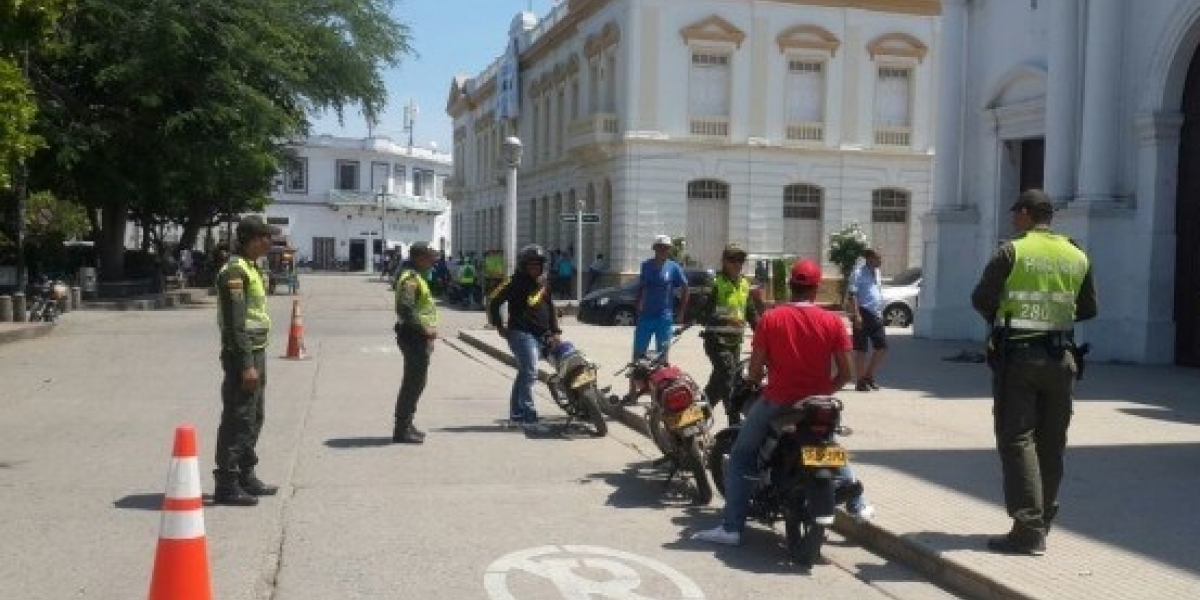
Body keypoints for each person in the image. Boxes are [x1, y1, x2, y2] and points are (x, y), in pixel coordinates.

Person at [693, 259, 871, 546]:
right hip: (819, 404)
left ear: (791, 287)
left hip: (778, 401)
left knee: (740, 456)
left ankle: (731, 528)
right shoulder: (833, 322)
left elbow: (755, 369)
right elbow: (849, 373)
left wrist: (753, 380)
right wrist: (825, 390)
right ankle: (859, 503)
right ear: (816, 288)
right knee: (828, 443)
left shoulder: (771, 319)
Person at [971, 189, 1097, 555]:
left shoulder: (1012, 251)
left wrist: (1004, 320)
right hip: (1062, 360)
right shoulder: (1077, 253)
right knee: (1052, 443)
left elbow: (981, 298)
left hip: (1020, 359)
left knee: (1017, 439)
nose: (1013, 220)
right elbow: (1088, 308)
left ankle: (1027, 530)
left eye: (1016, 213)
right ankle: (1042, 521)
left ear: (1027, 213)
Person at [212, 216, 281, 506]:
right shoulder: (234, 274)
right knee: (239, 416)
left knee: (255, 415)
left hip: (257, 350)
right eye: (266, 238)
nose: (270, 243)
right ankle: (226, 482)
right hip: (244, 354)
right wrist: (246, 364)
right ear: (252, 240)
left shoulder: (252, 268)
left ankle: (246, 473)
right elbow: (235, 324)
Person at [487, 244, 561, 430]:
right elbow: (493, 300)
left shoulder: (543, 283)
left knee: (524, 374)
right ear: (523, 265)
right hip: (521, 333)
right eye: (531, 264)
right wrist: (498, 324)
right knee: (530, 371)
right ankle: (529, 418)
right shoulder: (513, 282)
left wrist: (556, 331)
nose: (535, 268)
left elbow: (550, 308)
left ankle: (517, 415)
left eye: (538, 264)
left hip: (541, 335)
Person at [698, 243, 759, 425]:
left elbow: (751, 313)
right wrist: (726, 319)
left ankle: (694, 419)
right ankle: (734, 424)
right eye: (732, 260)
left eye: (740, 260)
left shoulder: (744, 284)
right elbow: (702, 313)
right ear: (724, 261)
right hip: (716, 341)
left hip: (734, 343)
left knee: (716, 386)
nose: (737, 264)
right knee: (730, 379)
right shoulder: (714, 282)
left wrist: (764, 332)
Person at [625, 235, 689, 403]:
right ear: (654, 248)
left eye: (666, 248)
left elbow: (685, 287)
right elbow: (641, 287)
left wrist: (681, 311)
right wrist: (637, 306)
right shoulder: (646, 266)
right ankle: (632, 392)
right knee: (638, 355)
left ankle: (659, 394)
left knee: (662, 358)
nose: (663, 251)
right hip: (646, 316)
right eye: (660, 247)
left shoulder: (673, 267)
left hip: (664, 317)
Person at [392, 242, 440, 444]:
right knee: (412, 384)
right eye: (430, 257)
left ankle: (406, 424)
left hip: (417, 338)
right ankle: (401, 429)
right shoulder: (410, 279)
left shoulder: (416, 276)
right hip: (414, 338)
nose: (433, 261)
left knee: (417, 383)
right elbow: (405, 307)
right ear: (419, 258)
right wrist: (424, 329)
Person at [845, 248, 888, 391]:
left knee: (882, 347)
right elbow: (853, 294)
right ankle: (860, 381)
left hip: (875, 314)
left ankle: (869, 375)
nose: (880, 260)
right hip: (862, 312)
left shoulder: (877, 272)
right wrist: (856, 315)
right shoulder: (858, 273)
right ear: (869, 258)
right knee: (861, 349)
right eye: (878, 258)